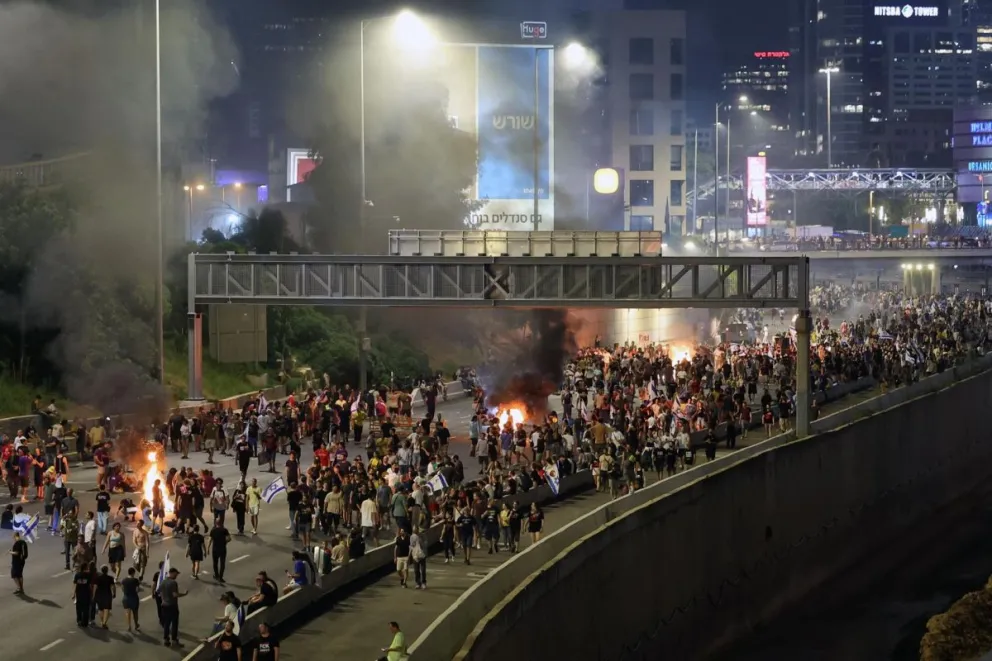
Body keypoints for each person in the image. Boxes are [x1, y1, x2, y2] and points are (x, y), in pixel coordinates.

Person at [159, 566, 188, 647]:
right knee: (174, 623)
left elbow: (160, 593)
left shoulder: (163, 581)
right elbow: (175, 595)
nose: (176, 576)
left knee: (166, 624)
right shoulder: (173, 583)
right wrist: (184, 594)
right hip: (172, 605)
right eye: (176, 574)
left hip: (164, 605)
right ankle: (174, 640)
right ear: (172, 573)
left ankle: (166, 639)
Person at [72, 561, 94, 627]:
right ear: (86, 568)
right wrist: (92, 593)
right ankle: (85, 622)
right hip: (86, 593)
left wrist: (73, 594)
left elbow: (75, 585)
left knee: (78, 608)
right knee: (86, 609)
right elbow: (90, 585)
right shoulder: (88, 575)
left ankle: (79, 620)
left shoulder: (77, 575)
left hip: (79, 594)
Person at [94, 565, 116, 629]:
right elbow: (113, 586)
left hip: (99, 595)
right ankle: (104, 623)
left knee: (100, 609)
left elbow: (95, 587)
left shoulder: (98, 578)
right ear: (107, 570)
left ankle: (102, 621)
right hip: (107, 594)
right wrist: (114, 593)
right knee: (107, 609)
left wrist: (94, 595)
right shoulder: (110, 578)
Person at [121, 566, 141, 632]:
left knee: (127, 612)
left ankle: (129, 626)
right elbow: (137, 589)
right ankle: (136, 625)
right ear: (133, 573)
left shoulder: (124, 580)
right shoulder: (135, 580)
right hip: (134, 597)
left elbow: (122, 589)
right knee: (135, 612)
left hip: (126, 597)